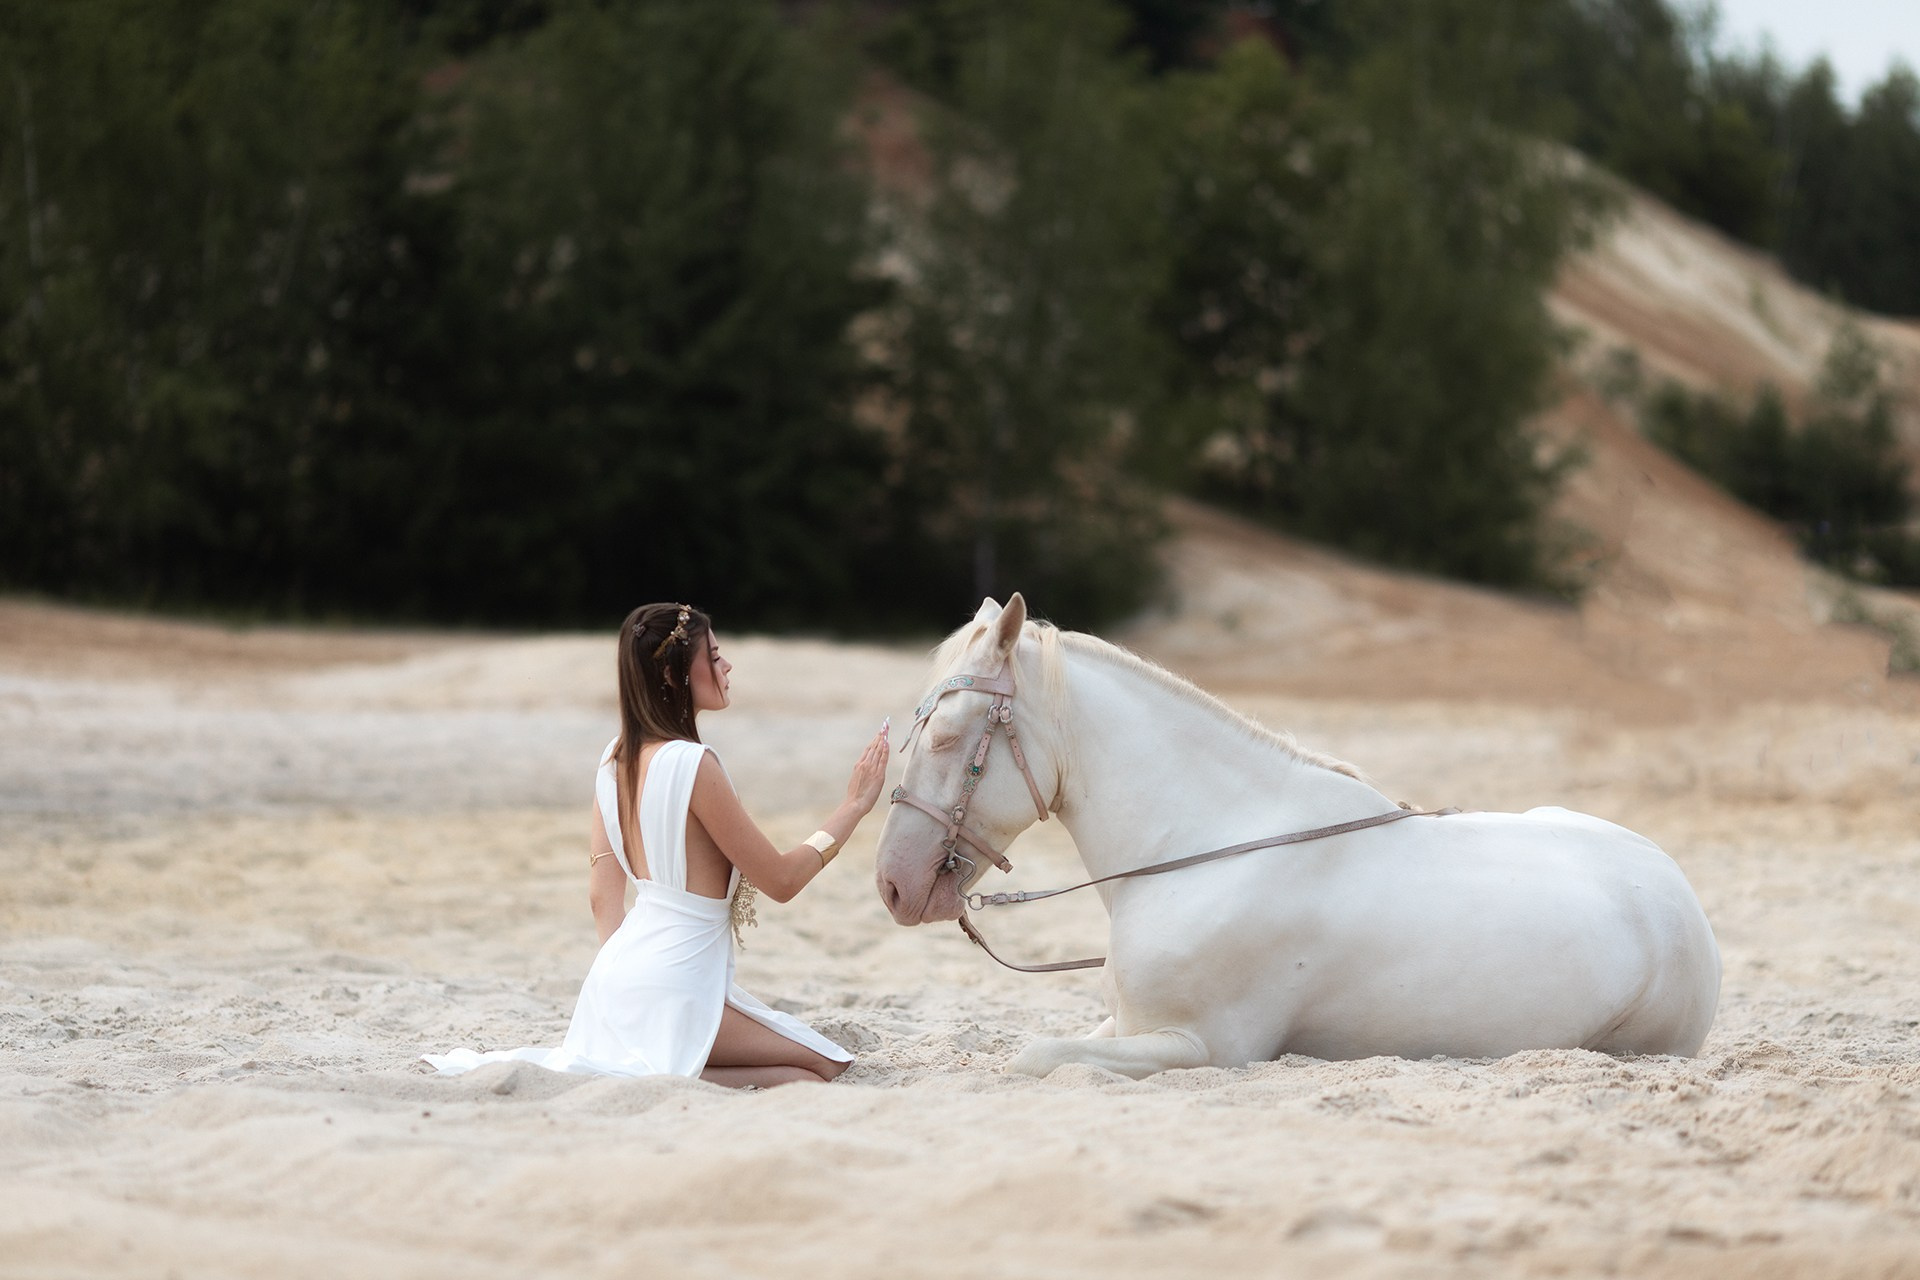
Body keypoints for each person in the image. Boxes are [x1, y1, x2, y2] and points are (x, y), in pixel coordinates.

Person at [424, 602, 888, 1087]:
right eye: (714, 655)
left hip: (614, 980)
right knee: (825, 1065)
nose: (726, 667)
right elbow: (782, 879)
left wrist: (626, 991)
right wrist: (853, 806)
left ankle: (664, 1071)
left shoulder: (614, 759)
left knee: (805, 1070)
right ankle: (664, 1075)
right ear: (672, 674)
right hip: (673, 984)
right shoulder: (693, 764)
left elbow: (602, 898)